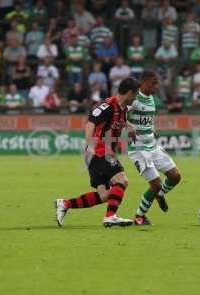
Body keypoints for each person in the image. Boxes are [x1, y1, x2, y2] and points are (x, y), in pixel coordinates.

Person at [55, 77, 140, 227]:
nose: (137, 97)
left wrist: (130, 126)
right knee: (122, 181)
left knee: (105, 195)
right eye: (136, 94)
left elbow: (120, 120)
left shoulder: (123, 109)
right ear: (129, 92)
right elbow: (90, 123)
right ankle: (111, 216)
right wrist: (91, 145)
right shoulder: (107, 105)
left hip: (97, 153)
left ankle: (65, 204)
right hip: (99, 149)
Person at [127, 70, 182, 225]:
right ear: (143, 82)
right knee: (156, 183)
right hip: (138, 149)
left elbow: (146, 119)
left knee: (175, 177)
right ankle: (139, 217)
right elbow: (120, 115)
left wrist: (151, 127)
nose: (156, 86)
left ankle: (159, 195)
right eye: (153, 83)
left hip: (152, 146)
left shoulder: (151, 98)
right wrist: (128, 126)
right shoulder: (133, 99)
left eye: (157, 83)